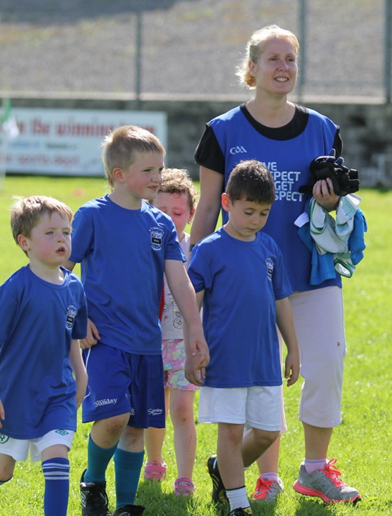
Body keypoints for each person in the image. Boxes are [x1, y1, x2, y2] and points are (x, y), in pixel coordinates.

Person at [190, 24, 361, 504]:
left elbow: (341, 212)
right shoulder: (222, 130)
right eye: (273, 59)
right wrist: (187, 282)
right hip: (242, 277)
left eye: (291, 59)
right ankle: (251, 474)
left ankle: (314, 470)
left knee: (327, 362)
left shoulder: (324, 129)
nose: (283, 67)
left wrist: (331, 205)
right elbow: (207, 208)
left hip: (311, 269)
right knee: (251, 380)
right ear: (252, 69)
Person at [64, 126, 208, 516]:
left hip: (150, 344)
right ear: (119, 175)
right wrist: (78, 315)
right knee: (114, 417)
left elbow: (180, 281)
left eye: (160, 169)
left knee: (135, 430)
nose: (157, 178)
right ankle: (93, 484)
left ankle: (126, 504)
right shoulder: (92, 215)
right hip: (107, 339)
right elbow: (62, 269)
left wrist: (196, 332)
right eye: (148, 170)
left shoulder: (159, 225)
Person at [0, 196, 89, 516]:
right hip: (14, 397)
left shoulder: (74, 287)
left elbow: (73, 337)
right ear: (24, 242)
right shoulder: (16, 287)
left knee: (58, 460)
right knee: (2, 470)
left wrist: (82, 376)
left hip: (58, 393)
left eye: (66, 232)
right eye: (50, 233)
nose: (61, 239)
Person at [186, 160, 300, 516]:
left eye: (264, 213)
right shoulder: (209, 249)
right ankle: (238, 504)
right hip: (224, 359)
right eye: (249, 211)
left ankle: (223, 469)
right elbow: (192, 304)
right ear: (226, 203)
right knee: (231, 433)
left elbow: (281, 300)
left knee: (267, 433)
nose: (256, 220)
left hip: (264, 359)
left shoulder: (269, 248)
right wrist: (193, 347)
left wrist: (294, 348)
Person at [143, 168, 199, 497]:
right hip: (149, 340)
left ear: (191, 214)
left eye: (177, 213)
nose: (169, 219)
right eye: (160, 211)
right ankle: (153, 461)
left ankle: (185, 477)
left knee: (180, 409)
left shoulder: (196, 250)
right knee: (154, 407)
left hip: (183, 342)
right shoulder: (143, 250)